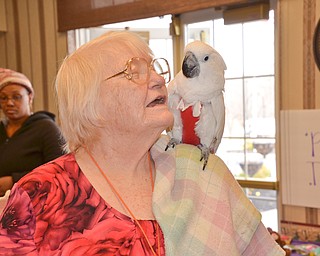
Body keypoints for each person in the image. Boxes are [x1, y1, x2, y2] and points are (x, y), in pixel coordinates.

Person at [0, 31, 285, 255]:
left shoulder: (204, 174)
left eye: (154, 67)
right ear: (91, 103)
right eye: (134, 70)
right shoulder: (39, 194)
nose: (160, 79)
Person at [0, 68, 66, 197]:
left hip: (36, 204)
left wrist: (15, 180)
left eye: (16, 97)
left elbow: (62, 170)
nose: (9, 103)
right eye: (3, 98)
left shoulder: (45, 128)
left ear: (30, 97)